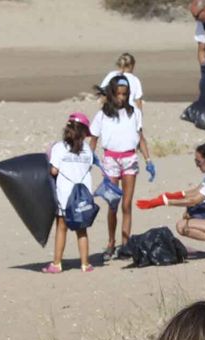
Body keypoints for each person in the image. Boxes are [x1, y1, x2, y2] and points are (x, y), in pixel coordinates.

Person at [92, 76, 154, 262]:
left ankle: (125, 245)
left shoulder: (134, 112)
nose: (121, 98)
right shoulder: (103, 114)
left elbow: (140, 137)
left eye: (125, 94)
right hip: (110, 160)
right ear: (112, 94)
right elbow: (93, 139)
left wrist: (148, 159)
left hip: (129, 160)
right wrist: (88, 159)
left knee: (127, 205)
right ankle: (111, 242)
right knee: (113, 204)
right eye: (118, 94)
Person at [47, 112, 97, 274]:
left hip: (65, 195)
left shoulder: (59, 147)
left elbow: (54, 171)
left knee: (61, 227)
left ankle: (56, 263)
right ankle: (85, 264)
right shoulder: (87, 149)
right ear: (83, 133)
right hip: (83, 195)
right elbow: (88, 167)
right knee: (81, 229)